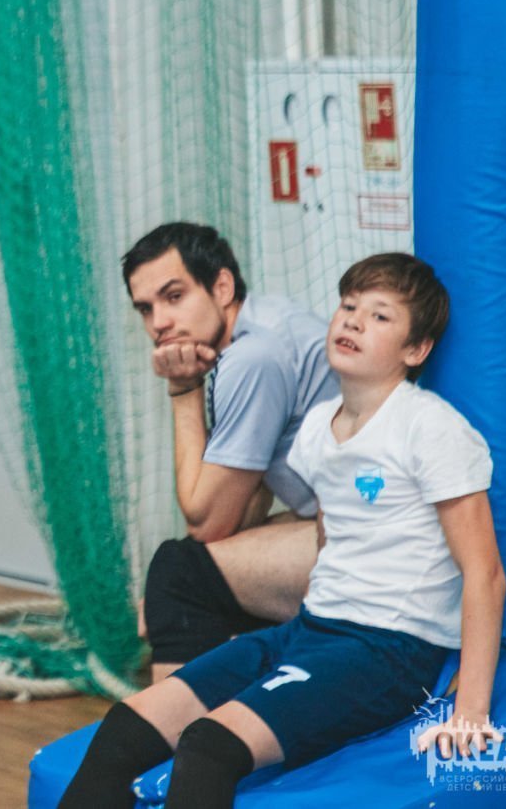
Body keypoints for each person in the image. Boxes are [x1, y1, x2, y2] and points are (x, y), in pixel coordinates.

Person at [60, 252, 505, 807]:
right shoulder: (318, 427)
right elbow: (327, 536)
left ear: (415, 350)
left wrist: (471, 710)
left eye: (379, 316)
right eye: (348, 307)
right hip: (310, 629)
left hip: (388, 650)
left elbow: (485, 572)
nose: (353, 322)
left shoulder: (431, 427)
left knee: (208, 746)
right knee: (123, 729)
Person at [122, 223, 337, 679]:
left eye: (174, 296)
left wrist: (183, 388)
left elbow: (207, 523)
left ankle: (172, 721)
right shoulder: (263, 324)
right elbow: (245, 499)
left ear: (221, 287)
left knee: (178, 574)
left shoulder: (253, 358)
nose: (159, 323)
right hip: (341, 523)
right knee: (185, 574)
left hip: (376, 543)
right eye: (146, 308)